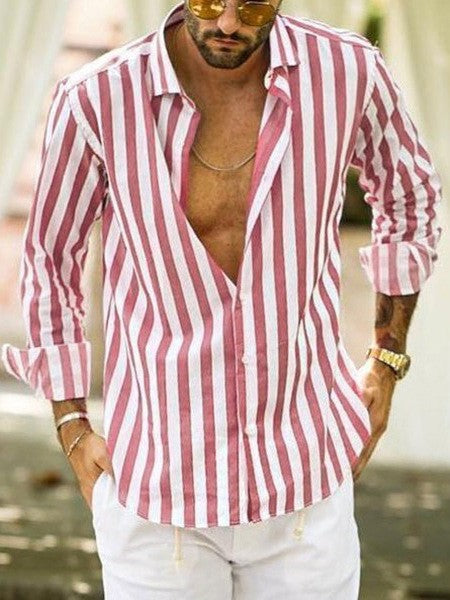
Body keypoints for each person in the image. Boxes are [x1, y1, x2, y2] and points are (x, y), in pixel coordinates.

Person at [1, 0, 443, 597]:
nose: (229, 22)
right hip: (158, 492)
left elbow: (410, 198)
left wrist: (386, 361)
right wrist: (72, 424)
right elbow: (51, 258)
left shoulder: (348, 71)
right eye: (210, 1)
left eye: (253, 4)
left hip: (304, 485)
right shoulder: (98, 98)